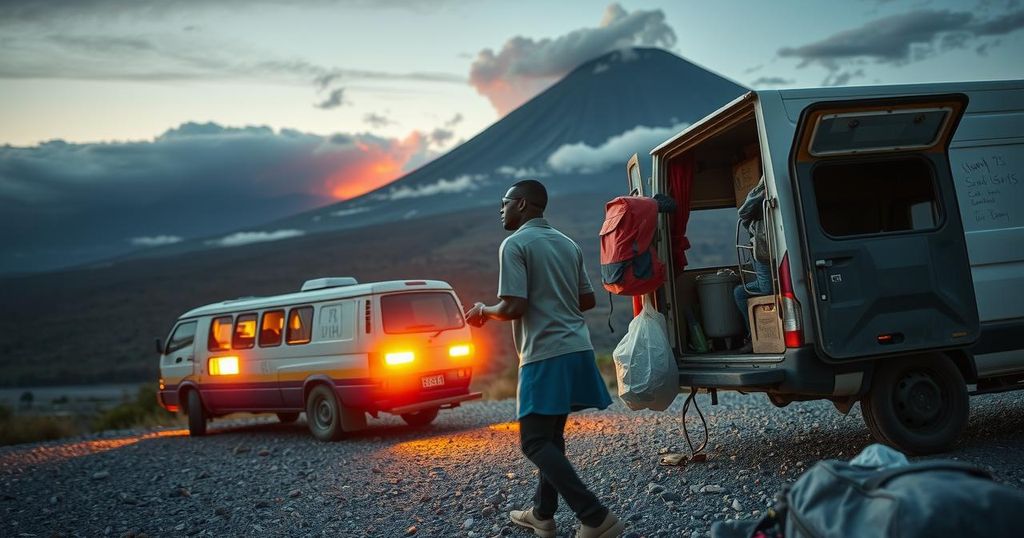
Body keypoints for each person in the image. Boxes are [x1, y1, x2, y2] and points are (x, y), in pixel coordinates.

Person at [465, 180, 623, 538]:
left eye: (504, 203)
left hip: (543, 354)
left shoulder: (515, 243)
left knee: (533, 441)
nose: (500, 210)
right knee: (550, 438)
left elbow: (513, 305)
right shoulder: (566, 243)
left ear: (521, 204)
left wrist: (482, 311)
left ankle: (595, 517)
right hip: (577, 348)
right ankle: (542, 514)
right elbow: (586, 301)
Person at [733, 176, 773, 351]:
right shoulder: (761, 195)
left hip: (767, 249)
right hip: (763, 248)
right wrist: (762, 194)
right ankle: (754, 336)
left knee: (748, 291)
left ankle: (754, 337)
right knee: (745, 291)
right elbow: (743, 213)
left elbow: (744, 214)